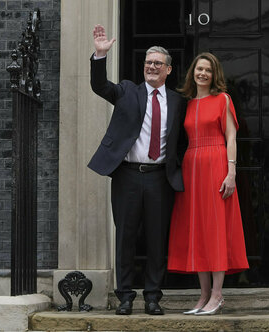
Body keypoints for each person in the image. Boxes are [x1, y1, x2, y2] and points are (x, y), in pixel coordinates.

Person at [87, 24, 187, 316]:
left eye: (157, 63)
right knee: (125, 237)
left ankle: (153, 296)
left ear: (169, 69)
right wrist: (99, 56)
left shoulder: (179, 101)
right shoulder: (127, 91)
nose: (151, 67)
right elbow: (99, 86)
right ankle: (126, 297)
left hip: (160, 178)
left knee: (157, 239)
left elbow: (184, 139)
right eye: (148, 63)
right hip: (128, 175)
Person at [167, 52, 249, 315]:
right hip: (192, 166)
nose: (203, 74)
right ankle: (203, 296)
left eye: (208, 70)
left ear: (215, 75)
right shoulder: (187, 104)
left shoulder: (223, 99)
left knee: (215, 229)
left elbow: (231, 138)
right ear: (193, 72)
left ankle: (217, 294)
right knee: (197, 230)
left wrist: (231, 172)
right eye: (199, 69)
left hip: (216, 163)